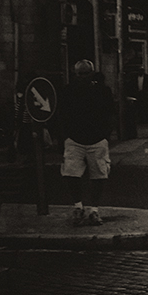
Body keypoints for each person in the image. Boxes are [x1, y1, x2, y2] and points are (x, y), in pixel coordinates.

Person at [58, 60, 115, 225]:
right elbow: (62, 114)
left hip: (97, 139)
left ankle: (94, 210)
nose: (82, 77)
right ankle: (78, 207)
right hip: (74, 139)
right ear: (75, 75)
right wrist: (65, 136)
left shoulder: (103, 91)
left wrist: (106, 134)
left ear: (92, 73)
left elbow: (110, 113)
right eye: (79, 74)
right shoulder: (68, 91)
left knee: (99, 174)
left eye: (86, 73)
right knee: (71, 173)